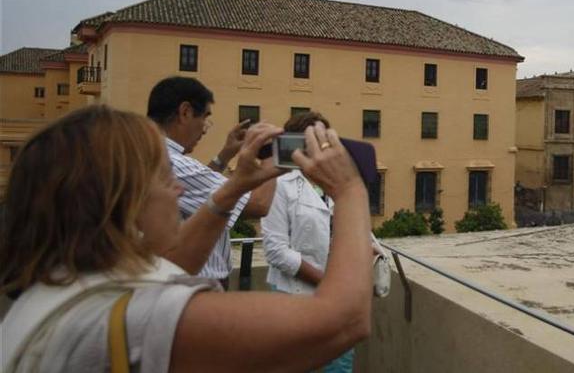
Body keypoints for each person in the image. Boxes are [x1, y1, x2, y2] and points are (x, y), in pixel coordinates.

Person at [0, 105, 372, 372]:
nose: (178, 191)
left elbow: (173, 261)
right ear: (123, 204)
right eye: (164, 179)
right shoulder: (129, 317)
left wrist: (237, 186)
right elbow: (343, 321)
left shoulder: (67, 288)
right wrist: (351, 188)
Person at [147, 77, 277, 287]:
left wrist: (224, 156)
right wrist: (271, 153)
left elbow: (197, 192)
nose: (205, 129)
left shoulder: (151, 153)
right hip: (197, 282)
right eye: (205, 117)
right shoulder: (174, 163)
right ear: (185, 112)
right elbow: (259, 204)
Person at [262, 111, 354, 372]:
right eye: (316, 138)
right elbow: (276, 251)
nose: (323, 145)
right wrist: (326, 282)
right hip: (295, 298)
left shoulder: (337, 184)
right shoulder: (280, 184)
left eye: (325, 138)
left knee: (338, 366)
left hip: (338, 299)